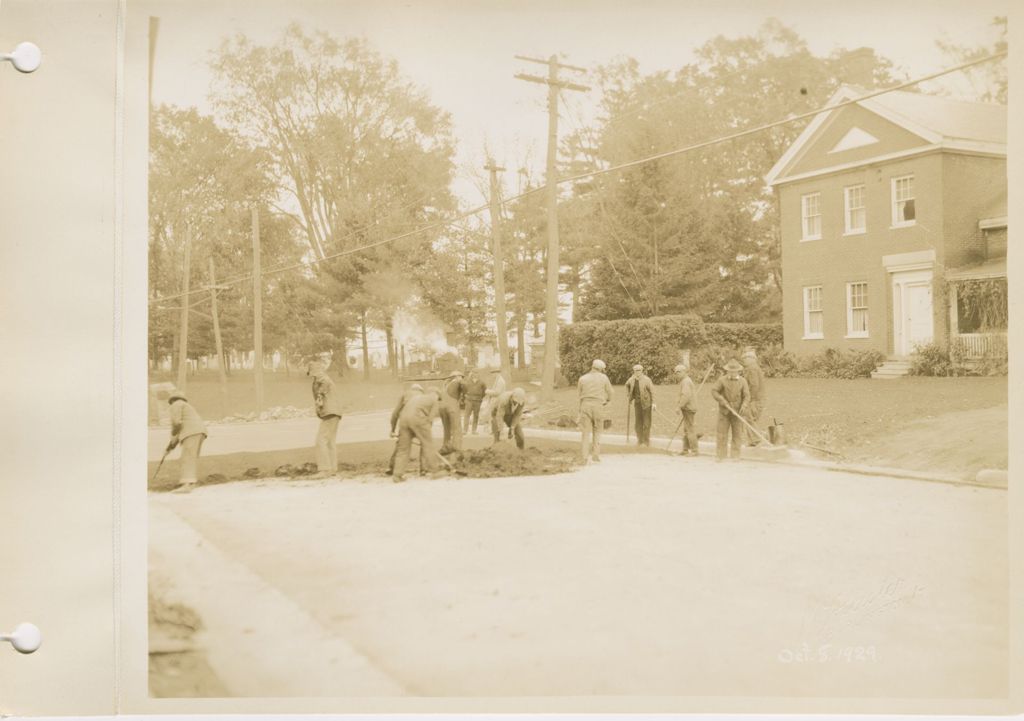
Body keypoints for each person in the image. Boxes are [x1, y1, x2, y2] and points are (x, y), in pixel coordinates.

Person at [392, 388, 442, 483]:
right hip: (418, 418)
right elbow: (430, 420)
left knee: (403, 449)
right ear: (437, 395)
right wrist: (425, 436)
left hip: (403, 420)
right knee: (428, 445)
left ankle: (397, 475)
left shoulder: (416, 398)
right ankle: (435, 471)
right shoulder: (434, 400)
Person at [166, 390, 207, 491]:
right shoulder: (185, 406)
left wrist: (172, 439)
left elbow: (176, 424)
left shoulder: (175, 405)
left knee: (187, 458)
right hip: (200, 432)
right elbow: (180, 426)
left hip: (191, 432)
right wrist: (171, 445)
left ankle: (186, 485)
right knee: (190, 457)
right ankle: (191, 483)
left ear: (171, 400)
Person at [710, 358, 750, 461]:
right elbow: (714, 391)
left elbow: (747, 396)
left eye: (734, 371)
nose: (732, 373)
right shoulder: (722, 380)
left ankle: (735, 455)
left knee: (737, 434)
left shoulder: (743, 381)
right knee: (722, 434)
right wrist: (722, 401)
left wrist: (744, 406)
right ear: (727, 371)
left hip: (738, 412)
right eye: (730, 371)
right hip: (724, 411)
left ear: (738, 371)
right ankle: (720, 455)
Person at [309, 355, 343, 475]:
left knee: (321, 440)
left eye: (312, 371)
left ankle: (324, 469)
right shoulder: (323, 377)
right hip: (335, 412)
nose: (312, 375)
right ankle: (332, 468)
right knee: (330, 441)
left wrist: (320, 396)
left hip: (330, 412)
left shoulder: (321, 378)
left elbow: (323, 383)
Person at [577, 359, 613, 463]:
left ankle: (584, 457)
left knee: (585, 432)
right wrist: (607, 400)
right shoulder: (604, 378)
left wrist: (580, 409)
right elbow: (610, 392)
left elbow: (579, 395)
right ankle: (595, 455)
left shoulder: (582, 378)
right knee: (597, 431)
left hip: (585, 405)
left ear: (592, 367)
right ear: (601, 369)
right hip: (598, 405)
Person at [386, 383, 423, 476]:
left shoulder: (405, 395)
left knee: (401, 445)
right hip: (419, 422)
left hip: (405, 422)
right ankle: (424, 469)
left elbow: (395, 414)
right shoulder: (423, 396)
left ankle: (392, 467)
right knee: (425, 445)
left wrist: (392, 430)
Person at [740, 346, 766, 446]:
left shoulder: (752, 369)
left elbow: (754, 385)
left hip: (754, 400)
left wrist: (748, 399)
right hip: (757, 399)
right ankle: (753, 441)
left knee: (748, 419)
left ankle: (755, 440)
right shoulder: (752, 368)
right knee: (750, 419)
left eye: (745, 358)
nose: (743, 361)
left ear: (751, 359)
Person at [624, 363, 655, 447]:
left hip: (646, 404)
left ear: (642, 371)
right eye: (635, 370)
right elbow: (627, 385)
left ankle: (646, 441)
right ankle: (639, 440)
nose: (637, 372)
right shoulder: (631, 379)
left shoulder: (647, 380)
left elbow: (652, 391)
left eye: (639, 370)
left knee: (646, 423)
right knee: (638, 423)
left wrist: (654, 403)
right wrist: (629, 396)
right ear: (633, 371)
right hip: (637, 404)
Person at [674, 364, 699, 456]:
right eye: (676, 372)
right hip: (687, 408)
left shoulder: (686, 381)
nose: (677, 374)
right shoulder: (684, 381)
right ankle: (685, 449)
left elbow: (686, 396)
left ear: (685, 372)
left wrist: (679, 407)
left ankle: (694, 451)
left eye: (679, 372)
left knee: (690, 429)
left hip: (689, 408)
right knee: (686, 429)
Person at [440, 370, 466, 455]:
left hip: (442, 408)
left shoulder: (445, 384)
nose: (462, 378)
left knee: (447, 429)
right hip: (452, 407)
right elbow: (465, 388)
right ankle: (457, 449)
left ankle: (445, 447)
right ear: (457, 377)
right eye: (461, 377)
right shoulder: (458, 381)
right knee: (457, 428)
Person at [462, 370, 488, 434]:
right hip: (469, 401)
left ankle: (474, 430)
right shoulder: (467, 382)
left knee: (476, 416)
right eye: (474, 373)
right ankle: (465, 430)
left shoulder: (482, 382)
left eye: (476, 373)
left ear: (478, 374)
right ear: (471, 374)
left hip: (478, 401)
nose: (475, 374)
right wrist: (466, 397)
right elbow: (463, 390)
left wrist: (480, 397)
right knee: (467, 415)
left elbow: (485, 391)